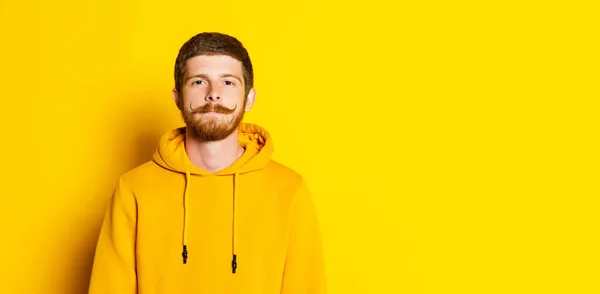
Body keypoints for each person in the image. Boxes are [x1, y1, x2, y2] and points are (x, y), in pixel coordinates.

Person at [87, 32, 326, 294]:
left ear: (249, 98)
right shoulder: (134, 189)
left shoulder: (289, 190)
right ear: (177, 97)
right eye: (199, 81)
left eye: (228, 82)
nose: (213, 94)